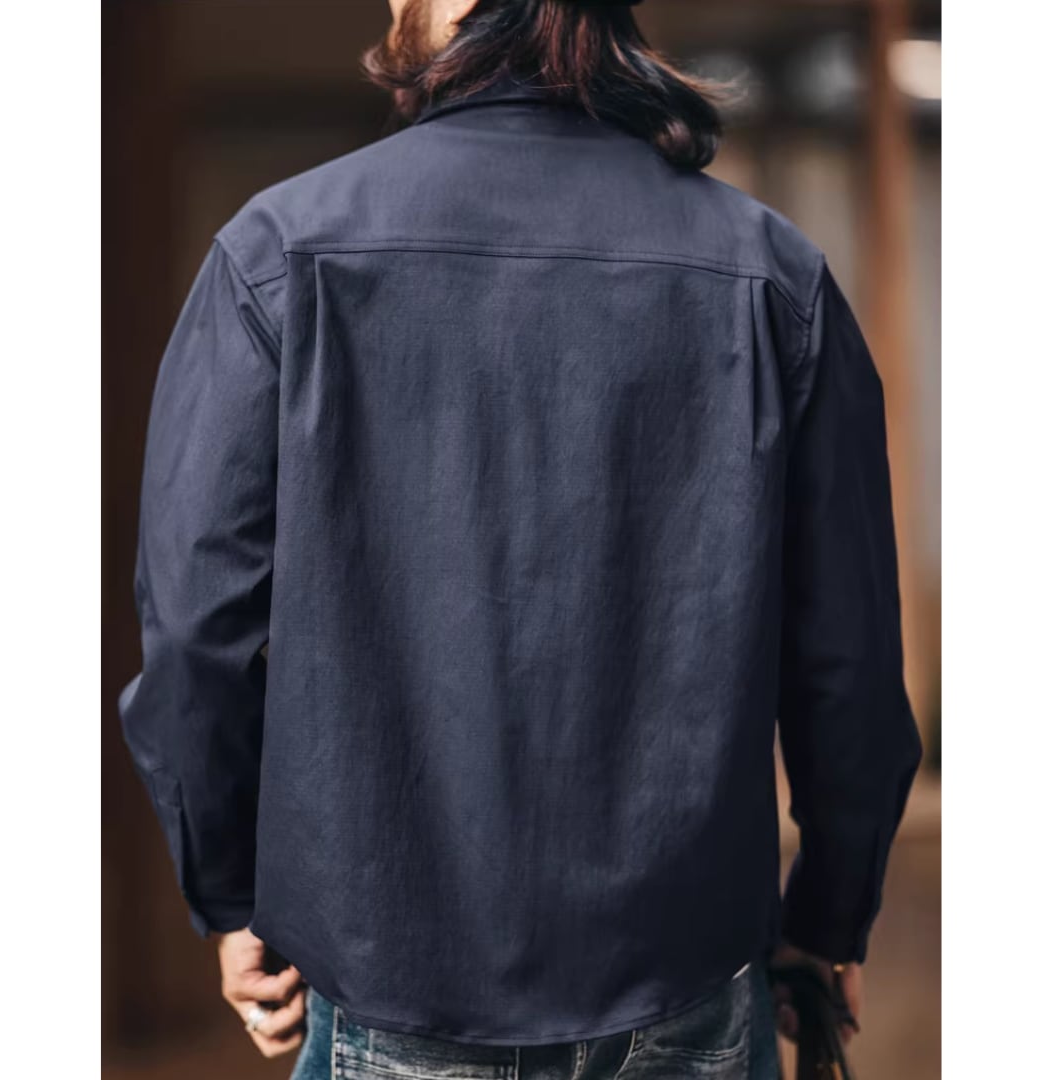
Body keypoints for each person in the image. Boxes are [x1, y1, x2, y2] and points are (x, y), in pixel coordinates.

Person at [116, 0, 924, 1076]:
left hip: (392, 980)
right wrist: (828, 914)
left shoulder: (278, 252)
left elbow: (193, 639)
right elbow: (849, 662)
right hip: (684, 974)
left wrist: (230, 897)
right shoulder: (772, 274)